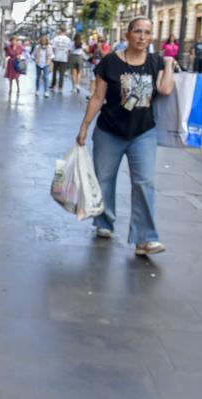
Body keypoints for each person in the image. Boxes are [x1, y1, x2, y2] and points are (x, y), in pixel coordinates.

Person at [75, 16, 176, 255]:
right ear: (127, 35)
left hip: (143, 132)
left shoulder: (155, 62)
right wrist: (84, 126)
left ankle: (145, 238)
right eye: (138, 31)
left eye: (148, 33)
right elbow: (98, 97)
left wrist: (169, 64)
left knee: (145, 182)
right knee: (104, 178)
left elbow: (165, 89)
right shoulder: (110, 62)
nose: (143, 37)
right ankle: (104, 222)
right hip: (110, 130)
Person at [50, 28, 72, 92]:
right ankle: (60, 87)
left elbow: (53, 48)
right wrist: (67, 57)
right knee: (62, 73)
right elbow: (69, 50)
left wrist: (54, 55)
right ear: (65, 31)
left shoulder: (55, 38)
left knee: (54, 72)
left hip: (56, 57)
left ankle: (53, 85)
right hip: (64, 58)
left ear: (60, 31)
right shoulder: (68, 39)